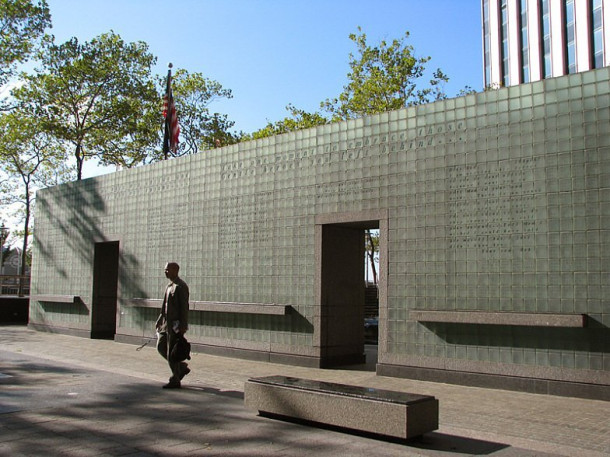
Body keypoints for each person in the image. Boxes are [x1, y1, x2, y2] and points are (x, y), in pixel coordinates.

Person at [156, 262, 190, 389]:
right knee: (160, 346)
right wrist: (160, 319)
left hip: (175, 325)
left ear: (175, 270)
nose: (165, 272)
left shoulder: (181, 286)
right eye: (165, 270)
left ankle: (175, 378)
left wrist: (183, 325)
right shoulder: (169, 286)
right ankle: (181, 367)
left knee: (172, 351)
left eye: (167, 270)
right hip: (166, 324)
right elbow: (164, 306)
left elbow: (184, 308)